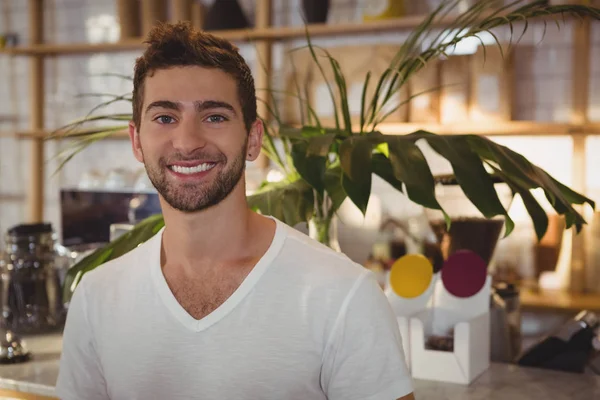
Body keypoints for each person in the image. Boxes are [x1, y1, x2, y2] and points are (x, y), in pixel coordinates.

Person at [56, 21, 415, 400]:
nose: (188, 142)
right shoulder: (96, 298)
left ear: (253, 138)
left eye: (214, 117)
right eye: (165, 118)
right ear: (136, 141)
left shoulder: (343, 296)